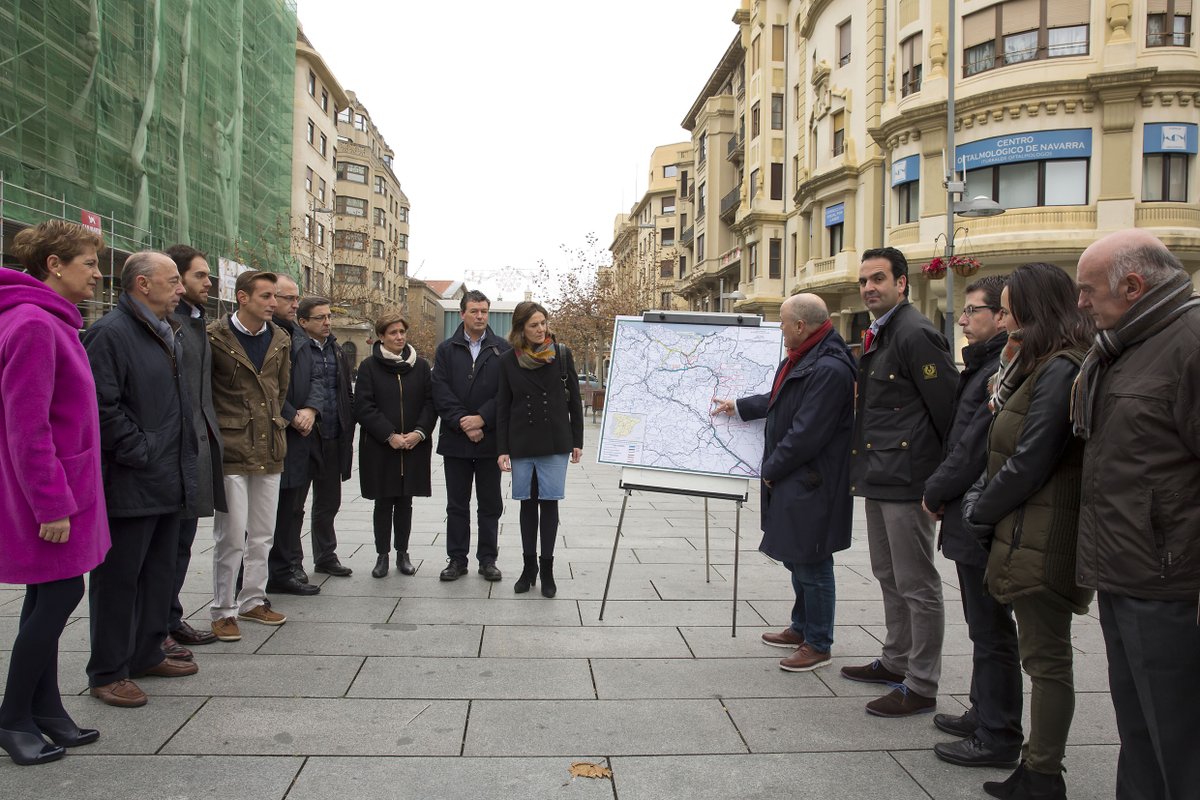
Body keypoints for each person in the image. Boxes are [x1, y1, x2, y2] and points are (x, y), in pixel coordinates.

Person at [1072, 230, 1200, 800]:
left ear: (1133, 285)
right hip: (1125, 568)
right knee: (1139, 728)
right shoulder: (1127, 344)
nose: (1080, 303)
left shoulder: (1189, 341)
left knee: (1179, 736)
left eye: (1087, 290)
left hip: (1169, 580)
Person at [961, 262, 1094, 800]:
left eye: (1013, 307)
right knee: (1039, 655)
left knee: (1046, 659)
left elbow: (1030, 459)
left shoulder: (1060, 368)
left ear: (1037, 309)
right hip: (1025, 525)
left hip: (1043, 531)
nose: (1006, 316)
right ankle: (1037, 767)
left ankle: (1044, 773)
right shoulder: (1038, 364)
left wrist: (979, 509)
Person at [0, 221, 111, 765]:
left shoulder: (51, 321)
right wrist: (51, 503)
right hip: (51, 494)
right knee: (61, 594)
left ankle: (44, 710)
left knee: (48, 595)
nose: (96, 272)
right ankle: (13, 716)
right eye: (88, 263)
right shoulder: (33, 325)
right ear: (54, 264)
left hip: (68, 485)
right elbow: (27, 427)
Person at [843, 246, 958, 717]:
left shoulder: (915, 333)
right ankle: (895, 660)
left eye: (879, 279)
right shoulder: (880, 331)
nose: (869, 287)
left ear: (902, 283)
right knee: (888, 574)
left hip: (909, 480)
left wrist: (942, 484)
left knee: (917, 583)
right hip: (880, 475)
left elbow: (948, 413)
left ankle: (922, 683)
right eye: (865, 280)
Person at [713, 294, 855, 671]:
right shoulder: (804, 359)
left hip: (812, 479)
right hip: (798, 477)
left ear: (800, 327)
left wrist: (772, 468)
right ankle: (801, 626)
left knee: (812, 559)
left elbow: (807, 432)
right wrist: (740, 406)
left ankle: (819, 643)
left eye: (783, 323)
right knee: (797, 555)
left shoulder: (829, 368)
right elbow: (781, 400)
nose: (779, 328)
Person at [83, 251, 199, 707]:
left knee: (158, 573)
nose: (181, 289)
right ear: (143, 284)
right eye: (173, 281)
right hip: (132, 480)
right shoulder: (111, 333)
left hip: (169, 477)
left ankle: (147, 652)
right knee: (119, 580)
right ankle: (108, 671)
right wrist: (141, 450)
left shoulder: (166, 330)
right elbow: (101, 407)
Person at [921, 275, 1023, 768]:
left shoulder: (998, 369)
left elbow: (972, 446)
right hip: (970, 510)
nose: (963, 319)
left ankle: (998, 732)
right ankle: (984, 712)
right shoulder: (986, 363)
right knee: (984, 626)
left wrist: (937, 490)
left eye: (974, 311)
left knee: (991, 628)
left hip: (978, 512)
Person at [207, 270, 291, 641]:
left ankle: (253, 599)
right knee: (231, 536)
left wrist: (272, 423)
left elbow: (280, 389)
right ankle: (223, 609)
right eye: (266, 296)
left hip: (270, 446)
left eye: (276, 296)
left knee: (262, 534)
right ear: (243, 297)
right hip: (231, 448)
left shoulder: (281, 338)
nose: (274, 303)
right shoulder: (215, 337)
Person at [495, 301, 584, 598]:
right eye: (533, 324)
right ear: (521, 328)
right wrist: (502, 448)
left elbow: (574, 402)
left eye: (543, 322)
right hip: (522, 441)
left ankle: (547, 570)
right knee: (526, 503)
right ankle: (528, 567)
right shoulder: (508, 360)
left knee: (549, 502)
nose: (540, 329)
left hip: (555, 440)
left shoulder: (561, 355)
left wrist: (577, 441)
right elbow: (503, 407)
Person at [268, 296, 355, 595]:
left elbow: (343, 391)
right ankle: (293, 562)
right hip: (304, 435)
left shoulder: (338, 350)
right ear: (302, 322)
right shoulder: (295, 346)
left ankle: (326, 555)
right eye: (320, 318)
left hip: (333, 433)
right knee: (294, 506)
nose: (327, 322)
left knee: (329, 501)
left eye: (329, 316)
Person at [163, 245, 222, 655]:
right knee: (163, 549)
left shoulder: (197, 324)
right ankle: (155, 627)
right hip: (167, 454)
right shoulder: (168, 327)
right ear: (177, 279)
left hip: (195, 450)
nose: (209, 283)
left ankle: (168, 617)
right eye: (200, 275)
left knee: (182, 543)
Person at [431, 289, 512, 581]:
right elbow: (440, 390)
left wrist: (481, 419)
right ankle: (457, 559)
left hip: (490, 441)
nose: (480, 316)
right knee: (457, 504)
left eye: (484, 311)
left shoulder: (501, 349)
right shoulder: (445, 349)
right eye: (474, 311)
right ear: (462, 313)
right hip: (456, 441)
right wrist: (463, 421)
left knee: (490, 504)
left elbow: (505, 393)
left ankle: (487, 559)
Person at [355, 312, 436, 578]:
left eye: (402, 331)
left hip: (414, 446)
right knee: (383, 501)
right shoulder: (368, 367)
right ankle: (382, 555)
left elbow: (430, 403)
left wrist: (420, 432)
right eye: (392, 333)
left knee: (405, 502)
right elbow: (364, 407)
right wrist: (390, 435)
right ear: (381, 336)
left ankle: (403, 553)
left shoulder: (421, 366)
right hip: (381, 448)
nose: (399, 337)